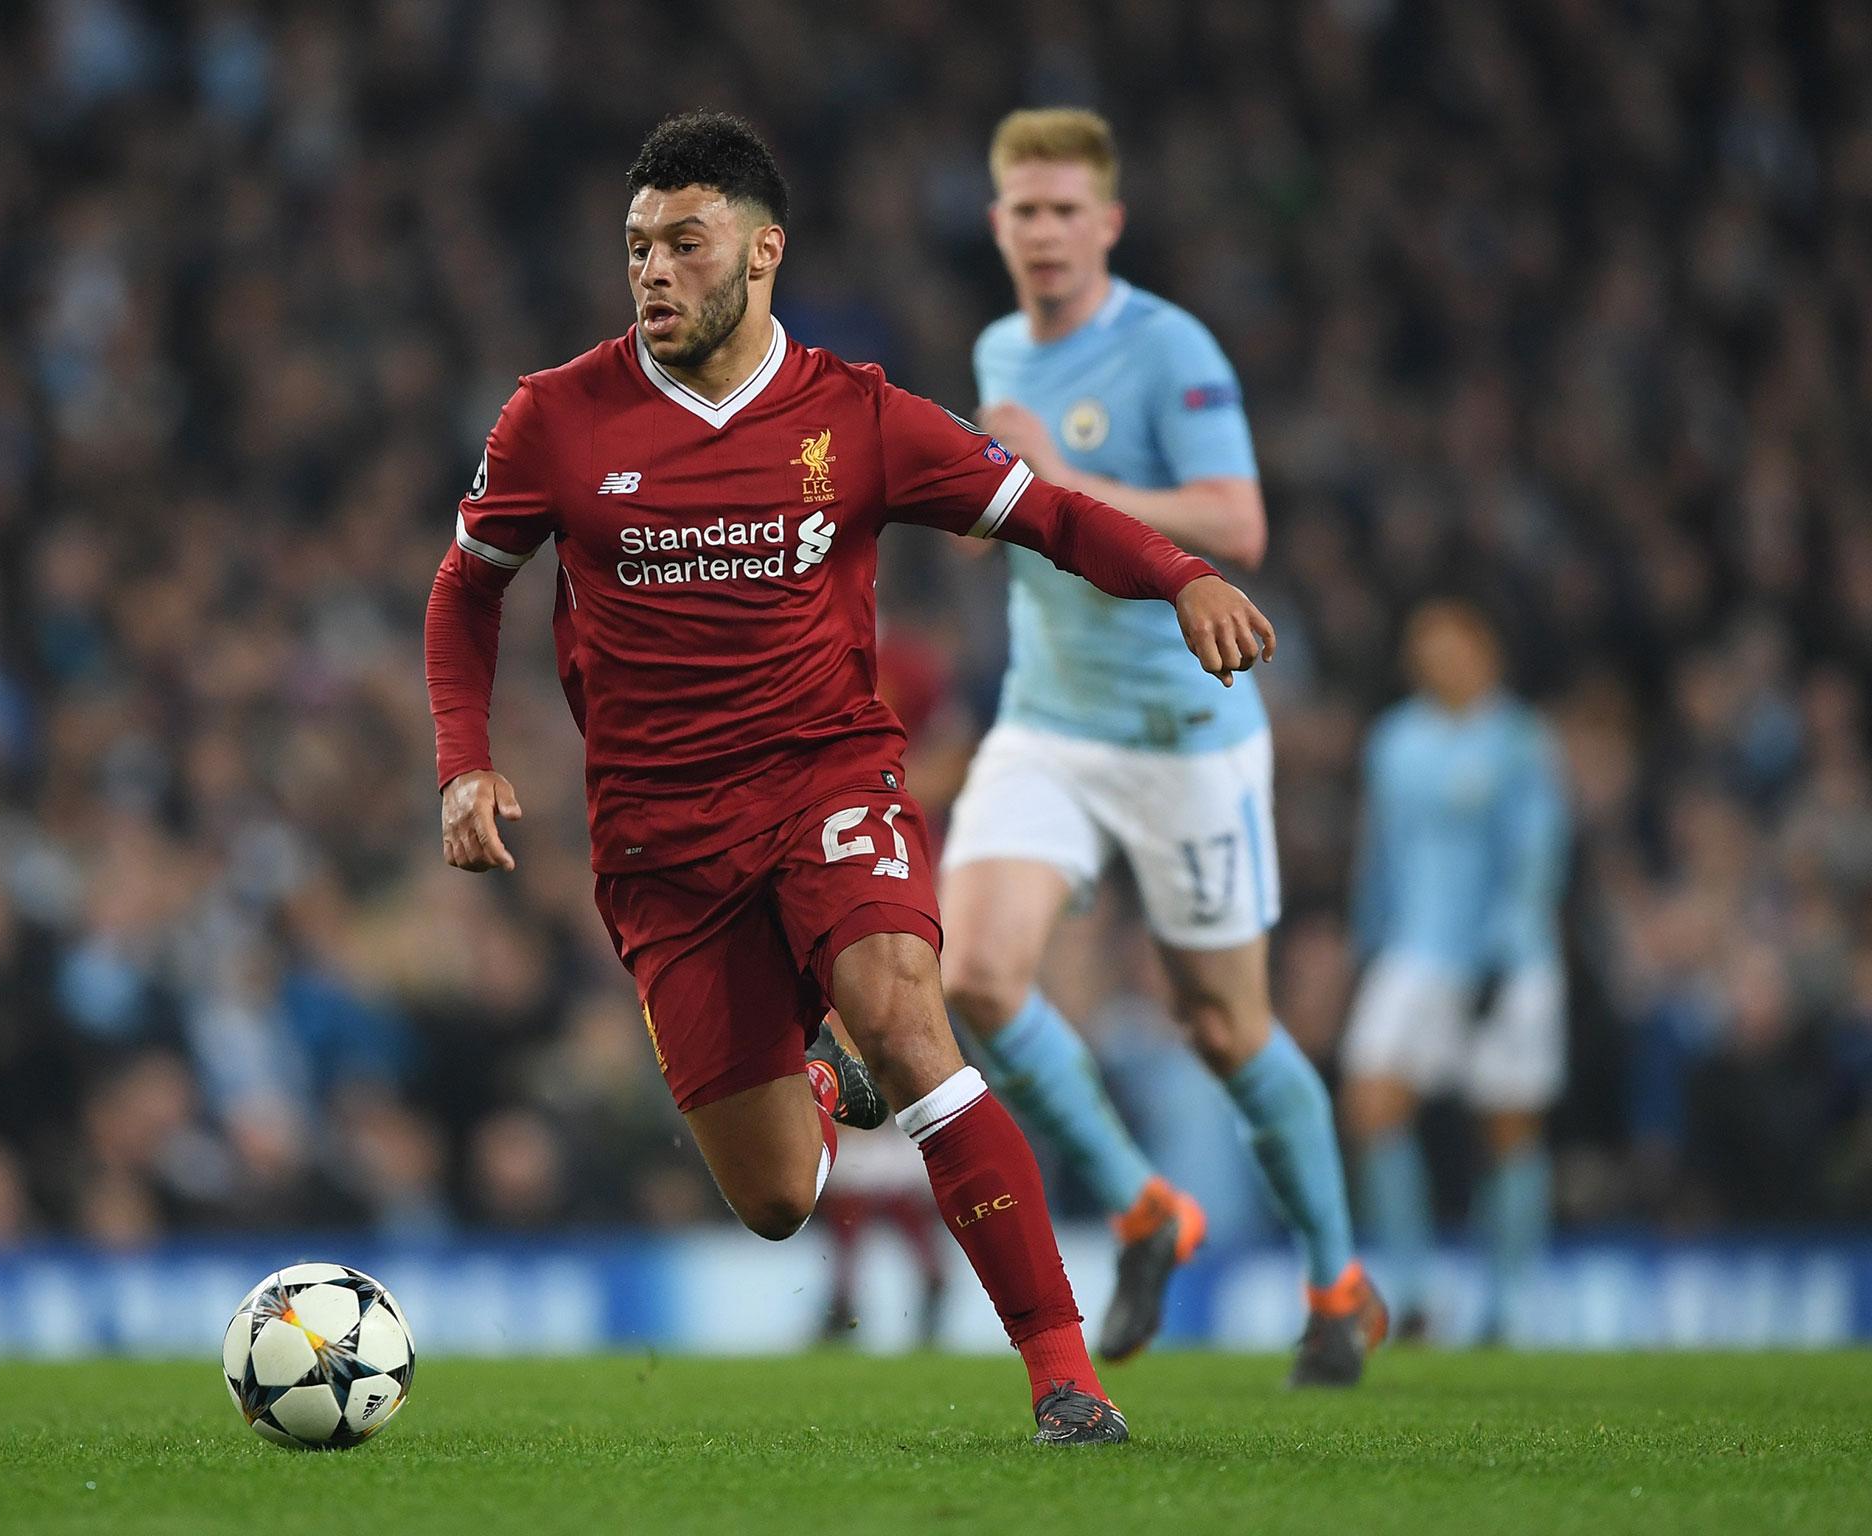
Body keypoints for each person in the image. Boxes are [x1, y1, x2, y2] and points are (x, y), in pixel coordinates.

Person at [424, 111, 1277, 1443]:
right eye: (636, 247)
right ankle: (821, 1089)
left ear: (762, 253)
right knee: (776, 1201)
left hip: (828, 780)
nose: (651, 272)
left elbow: (1044, 512)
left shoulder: (857, 418)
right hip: (656, 839)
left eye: (683, 245)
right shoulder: (555, 418)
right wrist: (464, 764)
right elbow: (465, 593)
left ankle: (1064, 1377)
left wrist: (1183, 574)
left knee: (907, 1018)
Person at [938, 109, 1382, 1384]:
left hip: (1183, 733)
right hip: (1047, 720)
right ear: (996, 224)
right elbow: (1013, 503)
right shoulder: (996, 343)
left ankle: (1337, 1282)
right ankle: (1144, 1208)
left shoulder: (1167, 346)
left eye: (1065, 210)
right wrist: (991, 502)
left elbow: (1235, 521)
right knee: (974, 977)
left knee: (1222, 1029)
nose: (1043, 232)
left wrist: (1055, 488)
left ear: (1107, 224)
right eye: (1022, 210)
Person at [1340, 599, 1571, 1342]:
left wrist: (1503, 955)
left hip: (1508, 960)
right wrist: (1366, 939)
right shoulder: (1396, 740)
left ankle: (1508, 1304)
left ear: (1484, 652)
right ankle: (1410, 1295)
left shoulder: (1518, 741)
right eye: (1423, 647)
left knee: (1505, 1125)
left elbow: (1536, 853)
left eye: (1450, 646)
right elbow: (1381, 851)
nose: (1436, 660)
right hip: (1414, 952)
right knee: (1372, 1099)